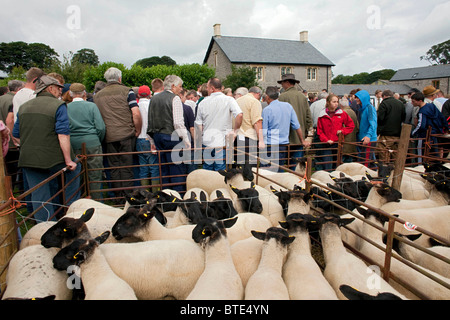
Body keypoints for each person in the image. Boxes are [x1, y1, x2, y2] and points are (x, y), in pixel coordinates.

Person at [12, 75, 81, 223]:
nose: (60, 91)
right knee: (74, 170)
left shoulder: (24, 107)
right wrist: (69, 160)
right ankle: (71, 212)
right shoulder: (58, 105)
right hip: (52, 157)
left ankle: (45, 226)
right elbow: (63, 134)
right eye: (58, 88)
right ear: (50, 88)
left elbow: (16, 135)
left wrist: (30, 145)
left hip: (28, 157)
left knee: (39, 193)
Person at [93, 67, 142, 200]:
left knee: (113, 167)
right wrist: (137, 130)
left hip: (108, 135)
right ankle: (129, 197)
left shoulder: (97, 96)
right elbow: (136, 113)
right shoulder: (127, 91)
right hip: (126, 134)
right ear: (120, 78)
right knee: (126, 167)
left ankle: (117, 197)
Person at [147, 75, 190, 192]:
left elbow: (150, 121)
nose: (181, 89)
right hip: (171, 137)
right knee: (177, 170)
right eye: (180, 86)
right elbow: (178, 123)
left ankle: (167, 197)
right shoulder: (175, 99)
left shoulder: (153, 98)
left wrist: (151, 141)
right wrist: (186, 140)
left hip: (157, 137)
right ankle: (178, 197)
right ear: (173, 86)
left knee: (164, 170)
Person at [67, 83, 106, 200]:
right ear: (84, 93)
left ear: (70, 94)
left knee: (77, 175)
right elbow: (100, 127)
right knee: (94, 173)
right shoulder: (91, 106)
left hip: (73, 144)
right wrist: (96, 139)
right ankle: (96, 201)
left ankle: (79, 201)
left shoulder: (65, 107)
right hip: (92, 142)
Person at [195, 77, 243, 171]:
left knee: (207, 170)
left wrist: (199, 142)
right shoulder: (229, 100)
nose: (206, 90)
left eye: (208, 87)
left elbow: (198, 125)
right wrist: (235, 131)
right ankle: (219, 185)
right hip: (222, 142)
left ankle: (208, 186)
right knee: (220, 170)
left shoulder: (202, 103)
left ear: (212, 88)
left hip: (207, 141)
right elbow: (239, 115)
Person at [262, 86, 311, 172]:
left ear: (267, 97)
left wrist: (261, 142)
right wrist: (302, 140)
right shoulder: (288, 106)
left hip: (270, 144)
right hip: (283, 144)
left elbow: (264, 130)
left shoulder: (267, 110)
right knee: (280, 167)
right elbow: (296, 125)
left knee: (267, 171)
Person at [278, 73, 312, 162]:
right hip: (299, 137)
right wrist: (305, 131)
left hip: (286, 137)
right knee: (296, 164)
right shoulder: (303, 97)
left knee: (281, 164)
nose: (281, 85)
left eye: (282, 83)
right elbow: (309, 117)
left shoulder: (282, 97)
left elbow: (279, 117)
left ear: (287, 83)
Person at [316, 94, 355, 170]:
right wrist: (326, 140)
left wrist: (342, 131)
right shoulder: (322, 115)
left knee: (337, 165)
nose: (336, 104)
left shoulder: (342, 113)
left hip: (338, 143)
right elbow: (319, 131)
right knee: (327, 165)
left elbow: (351, 126)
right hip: (326, 144)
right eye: (334, 102)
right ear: (328, 102)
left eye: (337, 102)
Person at [411, 92, 448, 162]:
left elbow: (421, 125)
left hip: (424, 135)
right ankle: (435, 167)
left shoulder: (422, 111)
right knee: (434, 153)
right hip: (434, 134)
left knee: (422, 153)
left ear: (420, 101)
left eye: (413, 101)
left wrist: (413, 133)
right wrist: (446, 127)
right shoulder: (431, 106)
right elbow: (441, 117)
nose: (412, 103)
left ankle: (421, 166)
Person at [235, 86, 265, 166]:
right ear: (258, 94)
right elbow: (257, 122)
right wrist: (261, 140)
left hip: (238, 137)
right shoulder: (255, 102)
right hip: (249, 138)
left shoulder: (237, 100)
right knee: (250, 168)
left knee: (239, 165)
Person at [377, 90, 406, 163]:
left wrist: (379, 130)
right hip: (397, 133)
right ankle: (397, 170)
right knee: (395, 153)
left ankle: (385, 169)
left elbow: (380, 118)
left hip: (386, 133)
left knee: (384, 152)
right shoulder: (400, 103)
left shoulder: (384, 104)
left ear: (384, 96)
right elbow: (403, 117)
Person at [354, 90, 377, 167]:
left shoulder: (370, 108)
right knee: (368, 160)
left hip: (368, 139)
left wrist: (368, 135)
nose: (356, 99)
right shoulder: (362, 108)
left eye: (358, 98)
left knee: (365, 163)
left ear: (363, 98)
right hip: (363, 139)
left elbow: (373, 123)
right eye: (356, 97)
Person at [339, 98, 359, 163]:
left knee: (342, 161)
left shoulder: (343, 113)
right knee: (349, 161)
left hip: (345, 140)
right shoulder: (353, 112)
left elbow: (342, 127)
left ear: (340, 105)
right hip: (352, 140)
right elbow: (357, 127)